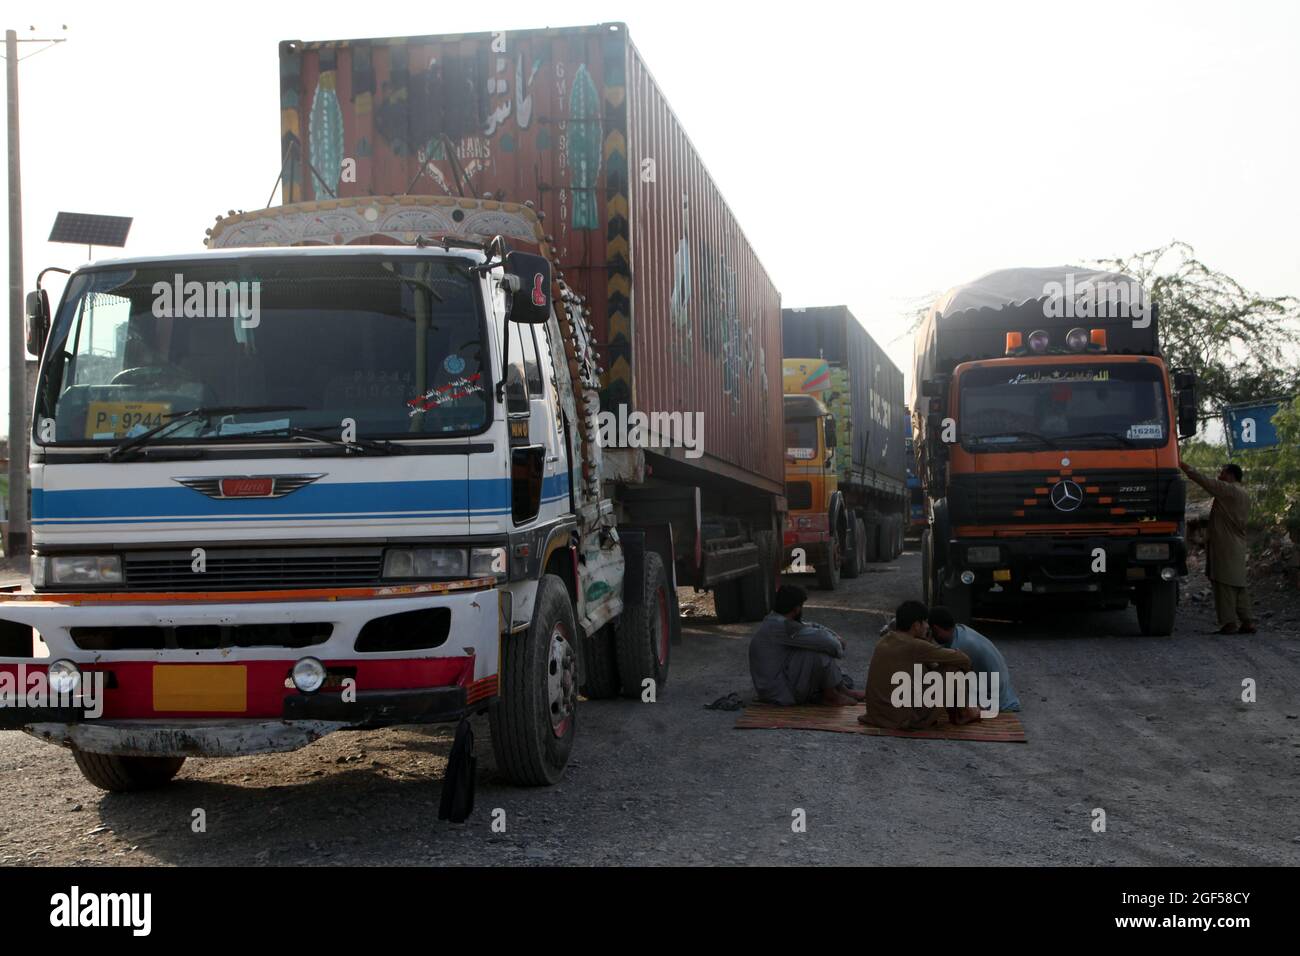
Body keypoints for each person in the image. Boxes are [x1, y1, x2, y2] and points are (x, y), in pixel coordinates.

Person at [861, 600, 976, 730]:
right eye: (925, 622)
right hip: (902, 720)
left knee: (931, 670)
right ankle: (965, 711)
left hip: (877, 716)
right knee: (955, 670)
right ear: (916, 625)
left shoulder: (885, 640)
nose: (928, 626)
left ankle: (961, 709)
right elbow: (965, 660)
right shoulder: (915, 645)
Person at [749, 585, 862, 706]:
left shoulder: (777, 621)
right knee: (818, 653)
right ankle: (831, 696)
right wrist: (838, 643)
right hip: (779, 693)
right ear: (796, 609)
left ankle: (842, 690)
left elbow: (811, 627)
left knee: (815, 645)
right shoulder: (783, 627)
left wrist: (836, 637)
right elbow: (825, 642)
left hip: (776, 686)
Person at [1180, 458, 1254, 634]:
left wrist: (1182, 465)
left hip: (1224, 546)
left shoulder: (1228, 490)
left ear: (1229, 475)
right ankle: (1247, 621)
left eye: (1222, 472)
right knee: (1238, 584)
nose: (1219, 475)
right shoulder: (1243, 493)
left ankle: (1229, 623)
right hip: (1236, 545)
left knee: (1223, 584)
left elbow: (1204, 481)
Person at [927, 606, 1021, 713]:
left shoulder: (960, 646)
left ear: (936, 629)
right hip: (1003, 690)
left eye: (931, 632)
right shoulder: (960, 630)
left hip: (994, 697)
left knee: (944, 689)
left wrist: (926, 647)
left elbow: (940, 675)